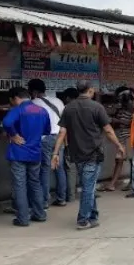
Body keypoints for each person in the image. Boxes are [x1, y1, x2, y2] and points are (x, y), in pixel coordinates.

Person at [51, 80, 125, 230]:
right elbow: (109, 130)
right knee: (88, 188)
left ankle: (93, 215)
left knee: (88, 185)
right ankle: (83, 220)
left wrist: (55, 152)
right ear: (90, 90)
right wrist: (119, 145)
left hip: (76, 154)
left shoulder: (69, 108)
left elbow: (62, 133)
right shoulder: (96, 107)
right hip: (93, 154)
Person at [2, 87, 51, 227]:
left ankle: (23, 219)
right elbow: (47, 130)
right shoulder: (42, 110)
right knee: (35, 183)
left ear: (15, 98)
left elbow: (6, 123)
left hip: (18, 153)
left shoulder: (18, 109)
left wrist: (13, 134)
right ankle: (40, 214)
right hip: (35, 152)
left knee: (20, 185)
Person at [27, 79, 66, 207]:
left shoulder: (32, 104)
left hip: (44, 139)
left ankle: (44, 201)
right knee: (59, 167)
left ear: (34, 91)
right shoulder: (58, 101)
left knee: (45, 169)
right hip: (60, 137)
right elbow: (65, 120)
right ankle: (61, 198)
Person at [102, 87, 134, 191]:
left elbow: (132, 123)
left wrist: (117, 121)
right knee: (119, 160)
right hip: (122, 138)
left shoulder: (131, 106)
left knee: (131, 161)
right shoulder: (122, 107)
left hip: (128, 137)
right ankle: (112, 184)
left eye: (120, 97)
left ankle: (132, 183)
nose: (118, 99)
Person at [61, 87, 79, 201]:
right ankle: (89, 194)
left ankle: (71, 196)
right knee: (86, 169)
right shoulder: (87, 106)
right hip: (86, 143)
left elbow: (64, 128)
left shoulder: (67, 109)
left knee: (71, 170)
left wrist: (66, 143)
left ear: (67, 98)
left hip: (71, 143)